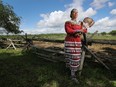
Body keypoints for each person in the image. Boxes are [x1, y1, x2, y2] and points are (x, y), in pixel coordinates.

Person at [64, 8, 94, 82]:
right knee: (71, 57)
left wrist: (79, 31)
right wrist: (78, 31)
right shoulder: (67, 22)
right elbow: (68, 31)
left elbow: (86, 29)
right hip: (69, 42)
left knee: (76, 57)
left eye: (77, 13)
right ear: (71, 14)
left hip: (77, 42)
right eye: (74, 13)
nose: (76, 14)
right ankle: (72, 74)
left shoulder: (80, 23)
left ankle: (73, 74)